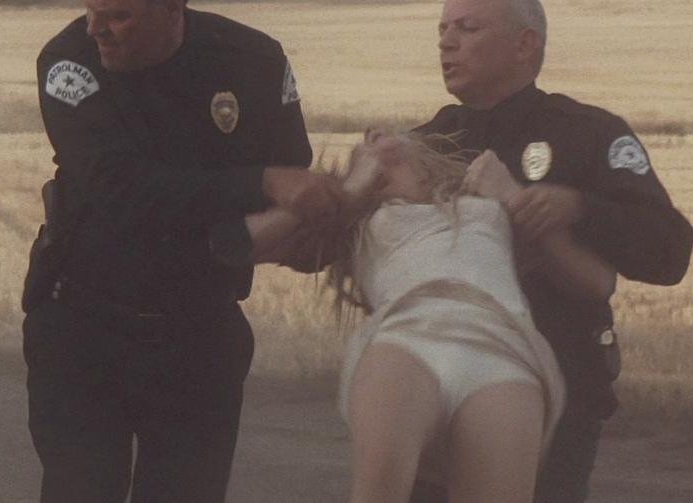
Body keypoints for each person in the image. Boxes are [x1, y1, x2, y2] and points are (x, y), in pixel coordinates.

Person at [18, 0, 344, 500]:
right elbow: (119, 189)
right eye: (91, 10)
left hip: (199, 335)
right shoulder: (69, 61)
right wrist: (260, 183)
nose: (98, 29)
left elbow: (292, 181)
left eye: (119, 15)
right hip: (85, 330)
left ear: (173, 9)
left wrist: (318, 225)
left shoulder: (252, 59)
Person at [409, 0, 693, 501]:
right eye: (442, 29)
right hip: (437, 394)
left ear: (525, 45)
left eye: (467, 28)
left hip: (554, 399)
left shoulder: (586, 134)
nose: (446, 42)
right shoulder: (425, 146)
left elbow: (668, 250)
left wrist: (579, 207)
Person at [246, 131, 615, 502]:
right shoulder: (356, 220)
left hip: (502, 347)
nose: (377, 141)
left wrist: (515, 197)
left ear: (425, 157)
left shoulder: (485, 199)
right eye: (366, 149)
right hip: (408, 334)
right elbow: (246, 246)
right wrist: (348, 192)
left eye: (387, 138)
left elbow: (598, 281)